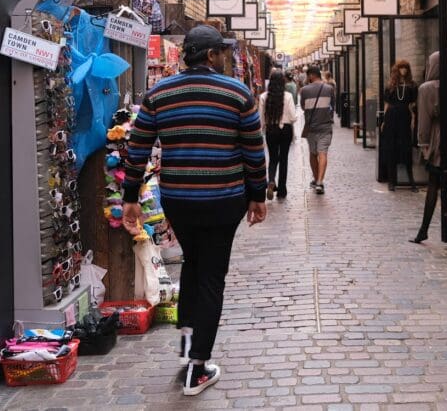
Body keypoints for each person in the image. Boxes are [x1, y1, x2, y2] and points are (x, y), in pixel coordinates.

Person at [121, 25, 267, 396]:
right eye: (224, 54)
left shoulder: (159, 93)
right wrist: (258, 195)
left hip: (180, 200)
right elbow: (253, 150)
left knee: (193, 265)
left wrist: (130, 196)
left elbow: (136, 149)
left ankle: (187, 353)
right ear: (213, 55)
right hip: (224, 200)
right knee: (211, 277)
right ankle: (198, 367)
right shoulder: (238, 93)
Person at [412, 52, 442, 243]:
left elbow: (424, 120)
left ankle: (423, 230)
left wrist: (423, 144)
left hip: (436, 140)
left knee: (433, 184)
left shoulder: (426, 89)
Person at [381, 60, 418, 191]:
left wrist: (413, 119)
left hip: (405, 117)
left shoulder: (412, 86)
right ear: (397, 70)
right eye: (401, 68)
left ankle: (411, 181)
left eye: (406, 68)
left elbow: (412, 105)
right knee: (392, 148)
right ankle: (392, 181)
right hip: (392, 117)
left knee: (406, 147)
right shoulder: (390, 86)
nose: (403, 71)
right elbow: (386, 104)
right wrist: (384, 121)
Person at [260, 69, 297, 200]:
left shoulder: (264, 96)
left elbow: (261, 119)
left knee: (273, 158)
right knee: (284, 159)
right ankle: (282, 189)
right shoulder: (288, 96)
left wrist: (263, 130)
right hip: (285, 130)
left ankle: (271, 181)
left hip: (271, 130)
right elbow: (293, 117)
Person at [300, 65, 335, 195]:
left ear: (311, 75)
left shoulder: (304, 90)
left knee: (313, 153)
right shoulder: (329, 88)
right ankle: (320, 182)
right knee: (323, 153)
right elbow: (332, 106)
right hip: (325, 126)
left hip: (311, 127)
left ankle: (316, 180)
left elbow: (303, 107)